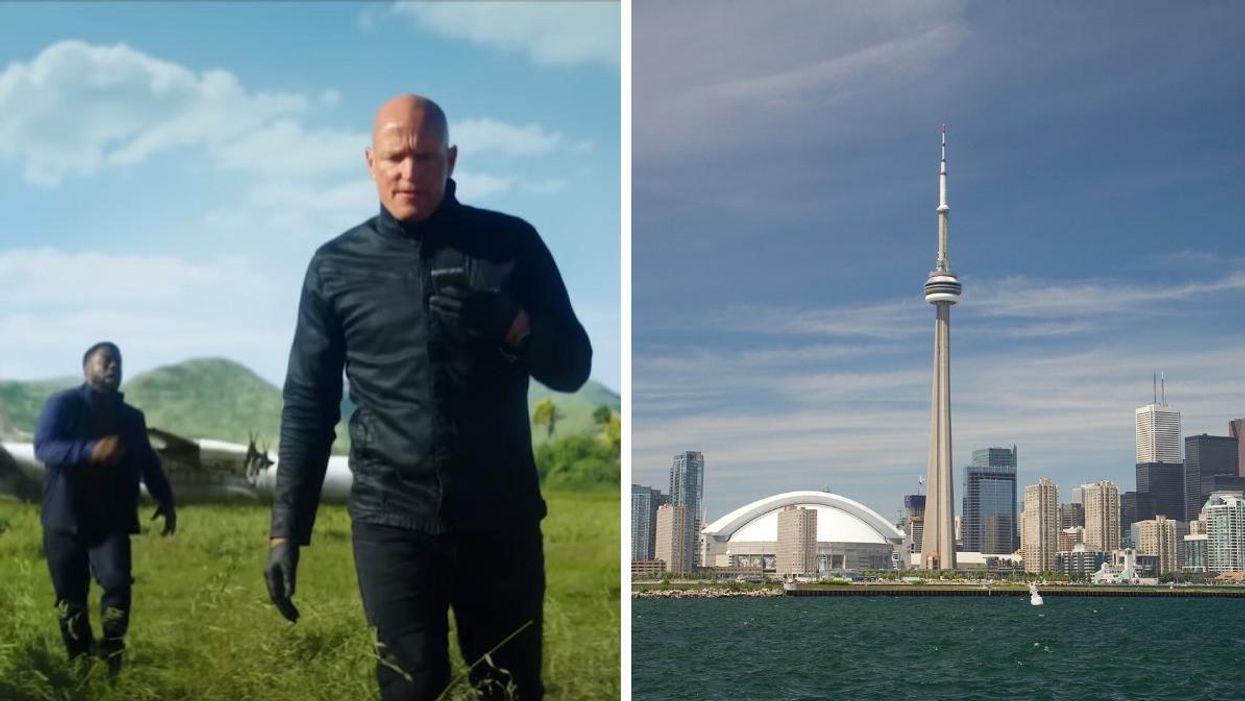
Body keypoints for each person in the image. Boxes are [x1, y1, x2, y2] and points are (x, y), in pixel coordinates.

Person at [265, 94, 591, 701]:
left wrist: (514, 326)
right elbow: (308, 406)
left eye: (425, 157)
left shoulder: (510, 245)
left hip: (501, 520)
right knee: (409, 691)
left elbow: (574, 368)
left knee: (511, 690)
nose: (409, 172)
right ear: (370, 161)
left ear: (452, 158)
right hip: (392, 520)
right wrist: (287, 532)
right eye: (395, 157)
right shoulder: (335, 268)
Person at [34, 341, 177, 674]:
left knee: (117, 585)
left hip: (111, 520)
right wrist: (89, 451)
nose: (114, 367)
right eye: (106, 361)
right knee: (69, 599)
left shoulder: (130, 418)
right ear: (88, 368)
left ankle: (112, 649)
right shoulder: (63, 404)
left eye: (118, 363)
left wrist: (166, 499)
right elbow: (44, 447)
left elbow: (147, 462)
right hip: (63, 518)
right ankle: (79, 661)